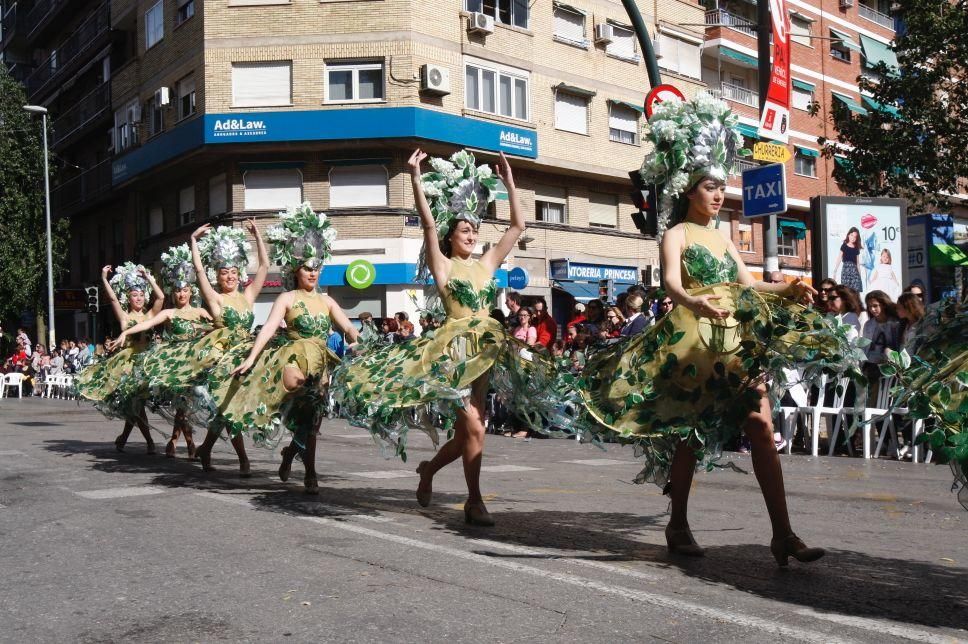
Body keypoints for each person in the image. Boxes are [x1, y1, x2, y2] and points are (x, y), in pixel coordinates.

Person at [577, 94, 857, 565]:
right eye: (709, 186)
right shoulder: (677, 234)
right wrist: (690, 300)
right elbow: (669, 282)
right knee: (691, 434)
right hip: (696, 344)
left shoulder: (724, 237)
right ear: (690, 191)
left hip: (736, 343)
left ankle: (783, 533)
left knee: (761, 427)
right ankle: (678, 522)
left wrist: (787, 289)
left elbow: (748, 286)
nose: (717, 193)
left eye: (721, 186)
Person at [334, 149, 571, 525]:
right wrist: (415, 177)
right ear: (451, 235)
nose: (472, 235)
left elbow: (517, 227)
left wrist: (510, 184)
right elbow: (428, 226)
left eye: (475, 230)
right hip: (453, 354)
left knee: (466, 436)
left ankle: (429, 470)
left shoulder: (485, 264)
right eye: (465, 230)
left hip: (485, 351)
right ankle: (474, 501)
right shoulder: (443, 265)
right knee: (475, 427)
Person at [215, 203, 359, 493]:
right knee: (304, 398)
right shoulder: (287, 298)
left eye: (316, 268)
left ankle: (291, 454)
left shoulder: (328, 301)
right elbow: (268, 329)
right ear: (296, 269)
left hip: (321, 363)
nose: (312, 273)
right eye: (307, 268)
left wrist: (356, 340)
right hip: (292, 359)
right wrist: (251, 359)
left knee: (311, 423)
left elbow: (348, 326)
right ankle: (311, 473)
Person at [178, 222, 270, 475]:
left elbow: (264, 266)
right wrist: (193, 241)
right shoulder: (216, 299)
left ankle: (206, 449)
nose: (229, 277)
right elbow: (198, 271)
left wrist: (257, 237)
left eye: (232, 272)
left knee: (227, 412)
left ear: (239, 272)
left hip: (247, 358)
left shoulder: (248, 296)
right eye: (223, 273)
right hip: (222, 364)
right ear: (216, 276)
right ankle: (243, 459)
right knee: (231, 410)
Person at [107, 244, 214, 460]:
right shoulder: (167, 313)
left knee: (182, 407)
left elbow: (218, 329)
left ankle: (172, 441)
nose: (181, 293)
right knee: (174, 406)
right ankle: (187, 444)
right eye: (177, 290)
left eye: (185, 290)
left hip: (195, 363)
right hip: (170, 364)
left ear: (191, 291)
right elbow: (144, 324)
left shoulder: (201, 312)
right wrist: (122, 335)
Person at [75, 263, 165, 453]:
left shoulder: (150, 315)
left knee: (135, 406)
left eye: (141, 295)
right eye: (134, 295)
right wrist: (103, 279)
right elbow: (114, 300)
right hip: (130, 365)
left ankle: (123, 438)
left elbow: (162, 297)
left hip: (148, 363)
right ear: (129, 298)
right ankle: (149, 442)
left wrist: (148, 278)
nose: (138, 298)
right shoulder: (125, 317)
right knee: (138, 404)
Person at [861, 290, 900, 404]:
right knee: (871, 402)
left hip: (889, 368)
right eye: (869, 307)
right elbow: (866, 347)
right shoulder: (869, 324)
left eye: (875, 306)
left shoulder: (894, 323)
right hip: (871, 366)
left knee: (885, 402)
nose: (872, 309)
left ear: (883, 304)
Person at [832, 227, 864, 293]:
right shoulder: (844, 246)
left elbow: (857, 263)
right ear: (848, 235)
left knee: (855, 291)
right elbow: (839, 258)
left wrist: (860, 276)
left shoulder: (856, 248)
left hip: (854, 271)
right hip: (846, 271)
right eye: (852, 235)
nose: (853, 238)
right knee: (846, 291)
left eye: (855, 237)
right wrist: (835, 270)